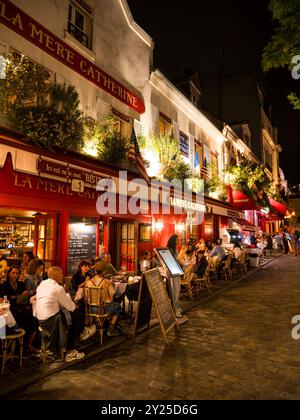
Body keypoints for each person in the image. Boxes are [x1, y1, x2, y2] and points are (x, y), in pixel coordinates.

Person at [36, 266, 85, 362]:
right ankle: (70, 351)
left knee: (68, 315)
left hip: (40, 319)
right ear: (55, 275)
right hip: (52, 321)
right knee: (77, 316)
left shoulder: (42, 283)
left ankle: (78, 336)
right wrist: (76, 305)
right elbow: (70, 307)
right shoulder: (57, 288)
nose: (63, 275)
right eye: (61, 273)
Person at [2, 266, 39, 353]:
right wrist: (18, 296)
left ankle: (28, 344)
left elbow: (24, 296)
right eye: (13, 273)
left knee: (33, 318)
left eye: (17, 273)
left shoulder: (21, 284)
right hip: (11, 309)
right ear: (9, 274)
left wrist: (16, 297)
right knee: (20, 317)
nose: (15, 275)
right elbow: (4, 299)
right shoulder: (4, 285)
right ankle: (17, 347)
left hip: (22, 307)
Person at [85, 268, 122, 337]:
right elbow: (113, 293)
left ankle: (98, 324)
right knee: (118, 307)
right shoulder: (106, 282)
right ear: (104, 273)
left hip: (91, 309)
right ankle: (110, 329)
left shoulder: (89, 282)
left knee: (112, 306)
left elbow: (86, 296)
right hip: (102, 309)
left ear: (96, 271)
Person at [166, 235, 182, 318]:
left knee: (177, 289)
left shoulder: (175, 249)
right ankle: (175, 310)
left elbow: (177, 260)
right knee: (174, 290)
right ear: (174, 240)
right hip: (172, 271)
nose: (179, 241)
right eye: (177, 239)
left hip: (176, 271)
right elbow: (170, 261)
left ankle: (177, 306)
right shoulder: (170, 250)